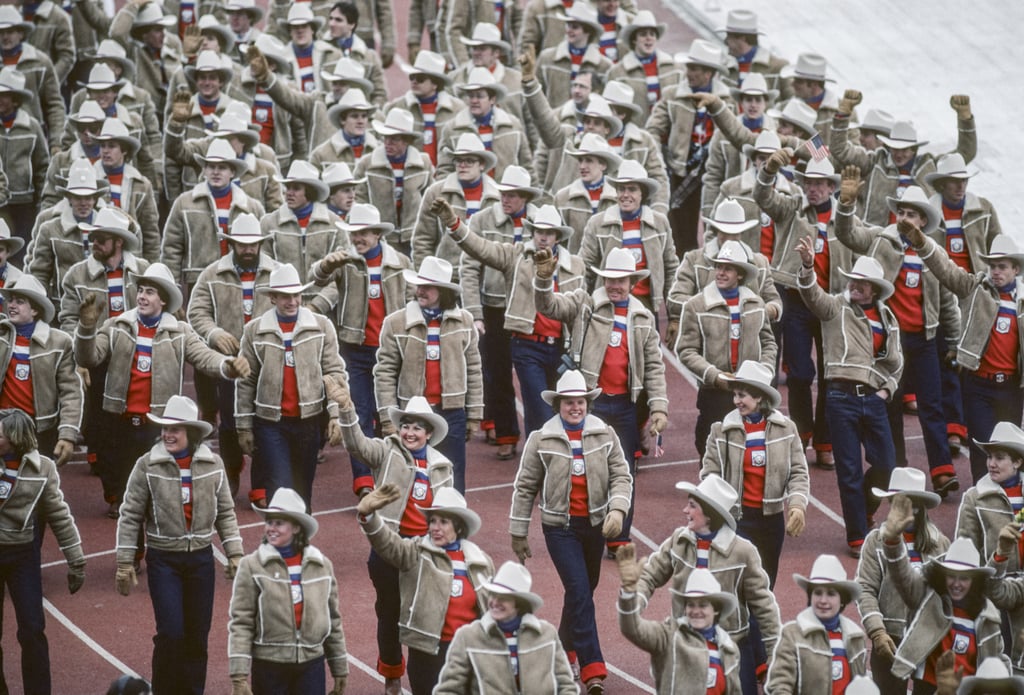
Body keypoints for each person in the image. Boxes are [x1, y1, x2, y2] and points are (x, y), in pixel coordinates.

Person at [834, 169, 962, 497]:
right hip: (891, 341)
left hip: (924, 341)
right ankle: (898, 470)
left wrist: (954, 340)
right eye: (901, 212)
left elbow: (947, 299)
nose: (905, 219)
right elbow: (848, 235)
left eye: (912, 215)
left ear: (923, 221)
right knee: (890, 407)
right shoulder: (882, 239)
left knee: (932, 406)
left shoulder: (932, 251)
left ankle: (942, 470)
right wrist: (846, 203)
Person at [533, 247, 667, 555]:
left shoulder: (643, 317)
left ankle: (619, 536)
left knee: (624, 472)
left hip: (624, 406)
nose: (616, 286)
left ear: (633, 282)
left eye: (622, 280)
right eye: (610, 280)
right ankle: (588, 529)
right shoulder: (585, 303)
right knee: (590, 469)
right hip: (589, 403)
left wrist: (659, 406)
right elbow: (548, 306)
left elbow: (655, 366)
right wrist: (543, 277)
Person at [324, 374, 453, 695]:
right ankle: (393, 673)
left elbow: (450, 513)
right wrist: (346, 410)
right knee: (390, 612)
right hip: (387, 548)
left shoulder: (442, 466)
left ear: (429, 433)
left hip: (424, 554)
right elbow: (357, 444)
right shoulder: (387, 451)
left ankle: (425, 680)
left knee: (425, 615)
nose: (410, 432)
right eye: (406, 425)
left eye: (417, 427)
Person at [509, 369, 634, 694]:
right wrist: (518, 531)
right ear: (559, 405)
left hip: (595, 527)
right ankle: (593, 669)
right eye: (568, 403)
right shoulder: (542, 438)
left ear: (587, 403)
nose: (575, 407)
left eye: (579, 402)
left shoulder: (605, 435)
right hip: (559, 528)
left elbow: (622, 475)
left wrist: (617, 509)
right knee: (579, 590)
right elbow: (525, 487)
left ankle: (561, 652)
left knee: (583, 591)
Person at [115, 395, 243, 695]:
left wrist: (234, 553)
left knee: (197, 637)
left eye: (176, 429)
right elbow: (130, 513)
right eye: (165, 428)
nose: (168, 434)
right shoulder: (147, 465)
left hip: (200, 559)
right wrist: (124, 561)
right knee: (171, 633)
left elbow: (225, 512)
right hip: (163, 561)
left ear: (193, 433)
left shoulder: (214, 465)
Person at [431, 198, 586, 445]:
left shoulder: (575, 265)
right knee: (540, 410)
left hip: (561, 348)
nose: (543, 237)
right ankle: (542, 461)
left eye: (548, 232)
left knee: (564, 408)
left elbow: (580, 309)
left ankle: (557, 460)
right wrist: (453, 223)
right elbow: (479, 247)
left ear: (557, 236)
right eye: (538, 231)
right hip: (527, 346)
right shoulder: (516, 256)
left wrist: (577, 349)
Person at [795, 241, 903, 556]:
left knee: (887, 465)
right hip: (840, 398)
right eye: (853, 281)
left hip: (873, 399)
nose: (855, 286)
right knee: (850, 471)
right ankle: (857, 534)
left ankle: (865, 508)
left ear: (874, 290)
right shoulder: (836, 308)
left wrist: (887, 390)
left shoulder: (887, 317)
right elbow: (811, 295)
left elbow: (896, 363)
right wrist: (807, 266)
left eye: (862, 283)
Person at [900, 223, 1024, 484]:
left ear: (1016, 269)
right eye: (993, 266)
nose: (996, 272)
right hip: (979, 386)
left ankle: (1009, 504)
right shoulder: (975, 289)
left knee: (1010, 450)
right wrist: (923, 243)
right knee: (983, 448)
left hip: (1011, 388)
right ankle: (982, 499)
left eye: (1003, 266)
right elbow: (946, 269)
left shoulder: (1021, 302)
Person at [636, 475, 780, 695]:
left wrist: (774, 652)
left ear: (710, 515)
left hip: (733, 648)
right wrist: (635, 602)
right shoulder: (679, 540)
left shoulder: (743, 551)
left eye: (692, 506)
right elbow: (650, 575)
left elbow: (764, 605)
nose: (685, 510)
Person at [311, 204, 411, 496]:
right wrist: (327, 265)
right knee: (360, 413)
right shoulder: (345, 262)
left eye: (364, 233)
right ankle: (363, 478)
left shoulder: (400, 262)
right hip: (355, 350)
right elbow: (318, 279)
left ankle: (394, 472)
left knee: (392, 414)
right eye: (354, 233)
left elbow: (413, 300)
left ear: (378, 234)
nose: (358, 239)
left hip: (391, 352)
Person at [357, 484, 494, 695]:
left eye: (443, 522)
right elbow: (388, 544)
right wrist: (368, 517)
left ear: (458, 527)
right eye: (432, 521)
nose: (435, 527)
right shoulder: (416, 551)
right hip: (428, 653)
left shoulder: (481, 561)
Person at [235, 263, 347, 509]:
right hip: (270, 423)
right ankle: (279, 544)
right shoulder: (254, 330)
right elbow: (246, 381)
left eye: (296, 295)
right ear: (272, 297)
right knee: (281, 489)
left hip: (309, 420)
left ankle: (299, 545)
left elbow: (334, 372)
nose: (292, 301)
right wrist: (243, 425)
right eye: (285, 296)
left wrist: (335, 415)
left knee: (303, 490)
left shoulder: (321, 326)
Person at [187, 213, 279, 498]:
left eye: (253, 244)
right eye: (242, 244)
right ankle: (231, 469)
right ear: (231, 244)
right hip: (230, 361)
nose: (248, 250)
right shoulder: (211, 273)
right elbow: (196, 312)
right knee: (229, 419)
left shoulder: (277, 272)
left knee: (266, 418)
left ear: (262, 244)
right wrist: (214, 334)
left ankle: (261, 482)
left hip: (266, 360)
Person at [374, 256, 483, 492]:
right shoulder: (395, 322)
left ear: (443, 291)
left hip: (452, 413)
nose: (420, 291)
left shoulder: (465, 321)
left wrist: (474, 414)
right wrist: (386, 416)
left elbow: (474, 369)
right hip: (411, 413)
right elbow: (385, 372)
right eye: (418, 285)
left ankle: (453, 527)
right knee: (409, 478)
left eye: (427, 287)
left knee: (452, 478)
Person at [227, 487, 348, 695]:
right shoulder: (251, 566)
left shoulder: (322, 566)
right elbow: (241, 622)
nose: (271, 528)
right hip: (269, 665)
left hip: (312, 665)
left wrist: (339, 669)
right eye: (269, 522)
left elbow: (333, 621)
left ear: (297, 528)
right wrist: (239, 676)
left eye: (279, 523)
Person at [700, 360, 808, 588]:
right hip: (737, 519)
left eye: (742, 395)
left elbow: (798, 472)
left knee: (764, 587)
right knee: (737, 584)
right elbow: (710, 474)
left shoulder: (787, 429)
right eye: (735, 395)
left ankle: (759, 625)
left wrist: (797, 505)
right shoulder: (721, 431)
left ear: (759, 397)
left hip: (771, 521)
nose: (736, 401)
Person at [0, 408, 85, 695]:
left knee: (33, 629)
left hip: (23, 554)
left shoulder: (44, 468)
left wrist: (76, 560)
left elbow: (59, 514)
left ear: (14, 438)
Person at [881, 512, 1004, 690]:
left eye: (964, 578)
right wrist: (892, 541)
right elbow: (901, 575)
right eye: (951, 576)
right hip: (927, 686)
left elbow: (996, 657)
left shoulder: (988, 615)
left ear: (975, 580)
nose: (956, 584)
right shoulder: (929, 599)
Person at [676, 241, 776, 457]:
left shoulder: (755, 303)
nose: (720, 273)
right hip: (714, 392)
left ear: (740, 274)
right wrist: (715, 375)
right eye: (718, 267)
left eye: (727, 268)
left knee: (748, 451)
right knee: (710, 449)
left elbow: (768, 342)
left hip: (750, 391)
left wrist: (763, 373)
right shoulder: (696, 305)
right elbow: (686, 350)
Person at [856, 470, 950, 694]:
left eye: (912, 503)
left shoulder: (940, 544)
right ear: (890, 504)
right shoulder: (875, 542)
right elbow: (865, 589)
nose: (907, 510)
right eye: (900, 503)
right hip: (891, 639)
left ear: (921, 507)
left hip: (930, 641)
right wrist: (878, 632)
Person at [434, 561, 577, 694]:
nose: (494, 602)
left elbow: (566, 685)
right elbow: (448, 690)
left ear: (519, 604)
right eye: (492, 595)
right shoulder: (468, 637)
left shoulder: (547, 635)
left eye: (503, 598)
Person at [616, 551, 741, 695]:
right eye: (691, 604)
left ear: (716, 609)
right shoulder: (669, 635)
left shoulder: (729, 648)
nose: (695, 610)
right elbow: (632, 629)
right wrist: (628, 594)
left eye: (703, 605)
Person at [0, 275, 82, 466]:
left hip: (40, 430)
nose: (12, 305)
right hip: (2, 427)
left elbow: (71, 393)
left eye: (20, 302)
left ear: (35, 309)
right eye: (11, 300)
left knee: (38, 487)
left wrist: (68, 434)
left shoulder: (60, 342)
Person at [766, 554, 868, 693]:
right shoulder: (792, 634)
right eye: (818, 593)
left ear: (842, 600)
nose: (823, 600)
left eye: (831, 594)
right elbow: (779, 685)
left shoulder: (856, 637)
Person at [354, 108, 435, 256]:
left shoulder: (423, 164)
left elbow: (431, 201)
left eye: (395, 139)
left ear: (406, 141)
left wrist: (426, 231)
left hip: (414, 237)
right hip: (380, 238)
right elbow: (359, 199)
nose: (388, 143)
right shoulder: (367, 164)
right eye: (385, 138)